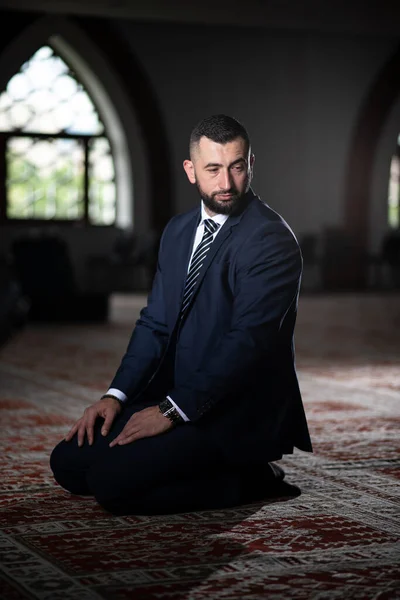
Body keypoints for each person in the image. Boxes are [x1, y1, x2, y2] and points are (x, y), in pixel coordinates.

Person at [50, 114, 312, 515]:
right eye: (213, 169)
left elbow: (248, 342)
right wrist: (115, 396)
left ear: (250, 165)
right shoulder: (178, 230)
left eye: (236, 167)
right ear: (191, 171)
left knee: (110, 485)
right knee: (68, 464)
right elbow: (154, 323)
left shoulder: (270, 239)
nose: (226, 183)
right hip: (178, 393)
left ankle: (252, 476)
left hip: (237, 409)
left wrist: (172, 411)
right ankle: (188, 457)